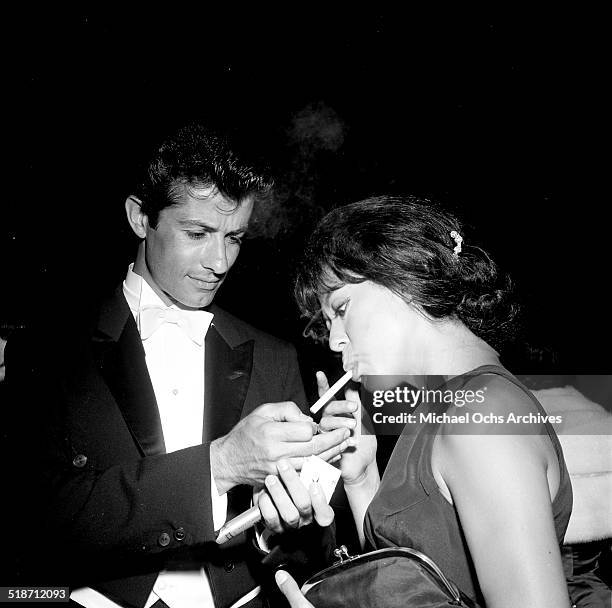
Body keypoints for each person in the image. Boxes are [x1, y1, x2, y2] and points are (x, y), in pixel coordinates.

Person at [3, 123, 350, 608]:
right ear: (140, 218)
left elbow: (303, 551)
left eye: (235, 237)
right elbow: (29, 519)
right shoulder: (52, 351)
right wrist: (220, 465)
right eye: (197, 233)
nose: (221, 261)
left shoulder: (274, 356)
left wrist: (293, 513)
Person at [278, 195, 574, 606]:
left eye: (342, 308)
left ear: (403, 274)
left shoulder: (478, 414)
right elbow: (415, 581)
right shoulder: (446, 405)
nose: (334, 340)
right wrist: (361, 479)